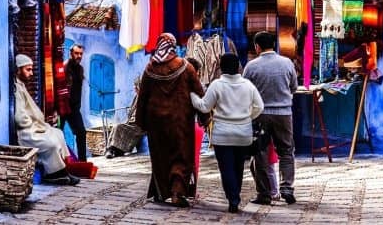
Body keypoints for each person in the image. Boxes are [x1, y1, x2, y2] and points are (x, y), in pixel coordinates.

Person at [134, 33, 208, 207]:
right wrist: (205, 116)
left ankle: (161, 193)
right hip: (180, 121)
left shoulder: (149, 68)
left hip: (155, 122)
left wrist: (141, 123)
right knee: (181, 156)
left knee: (160, 156)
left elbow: (142, 97)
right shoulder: (186, 66)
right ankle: (177, 192)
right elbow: (199, 92)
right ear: (173, 46)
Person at [190, 53, 264, 213]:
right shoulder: (248, 85)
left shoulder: (217, 85)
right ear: (238, 67)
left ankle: (233, 199)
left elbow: (204, 107)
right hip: (243, 134)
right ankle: (235, 196)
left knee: (226, 168)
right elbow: (260, 107)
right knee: (238, 167)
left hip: (222, 134)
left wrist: (193, 96)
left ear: (221, 67)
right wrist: (246, 117)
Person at [243, 31, 298, 205]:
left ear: (257, 46)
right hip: (284, 114)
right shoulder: (287, 63)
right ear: (273, 44)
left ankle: (265, 193)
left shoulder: (251, 66)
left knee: (260, 153)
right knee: (286, 152)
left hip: (260, 115)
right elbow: (294, 87)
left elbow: (244, 92)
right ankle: (287, 187)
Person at [14, 54, 80, 185]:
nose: (31, 73)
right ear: (18, 70)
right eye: (28, 69)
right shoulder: (16, 89)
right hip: (26, 133)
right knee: (51, 144)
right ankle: (54, 174)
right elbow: (20, 119)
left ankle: (63, 170)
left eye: (31, 69)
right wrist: (36, 126)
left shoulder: (21, 85)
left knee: (58, 133)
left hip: (33, 127)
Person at [105, 73, 145, 159]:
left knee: (119, 127)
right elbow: (131, 111)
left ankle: (112, 149)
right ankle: (111, 149)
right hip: (132, 123)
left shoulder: (144, 98)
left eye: (136, 87)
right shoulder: (136, 97)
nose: (134, 89)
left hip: (139, 126)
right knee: (116, 126)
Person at [59, 44, 87, 160]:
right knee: (58, 134)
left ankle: (82, 162)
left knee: (81, 133)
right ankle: (61, 162)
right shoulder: (65, 67)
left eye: (81, 54)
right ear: (71, 53)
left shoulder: (80, 69)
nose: (79, 56)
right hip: (63, 107)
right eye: (76, 53)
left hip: (74, 108)